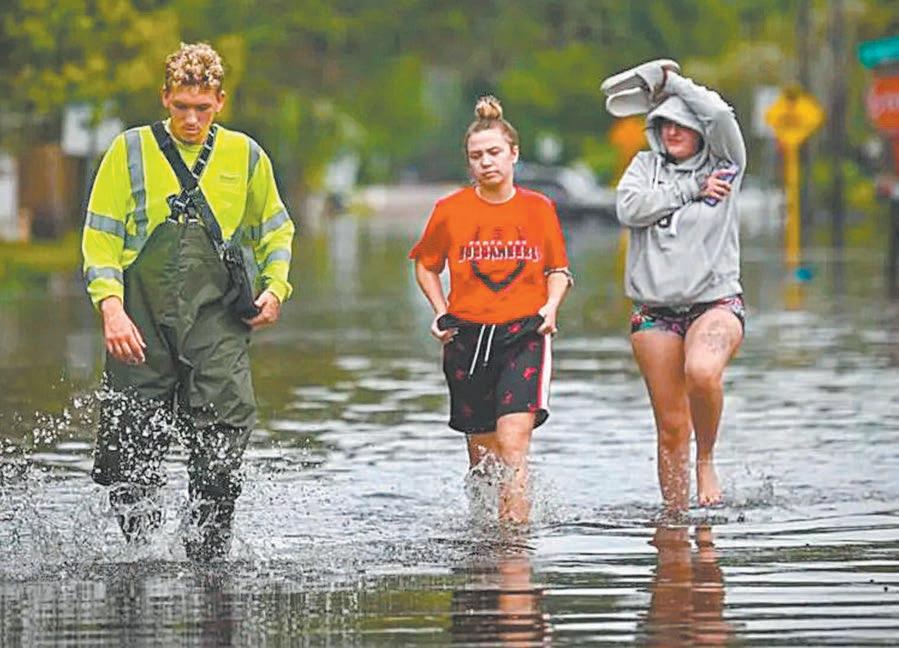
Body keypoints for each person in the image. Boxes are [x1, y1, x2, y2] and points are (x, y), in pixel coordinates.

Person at [81, 42, 295, 559]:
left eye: (202, 107)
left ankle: (208, 556)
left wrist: (275, 288)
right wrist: (111, 307)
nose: (191, 119)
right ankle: (140, 555)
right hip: (139, 322)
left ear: (220, 101)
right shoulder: (128, 151)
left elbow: (275, 230)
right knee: (128, 448)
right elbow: (101, 237)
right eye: (181, 107)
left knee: (223, 439)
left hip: (216, 321)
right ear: (164, 98)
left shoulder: (246, 156)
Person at [409, 95, 572, 524]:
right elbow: (426, 265)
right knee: (483, 461)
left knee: (513, 443)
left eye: (494, 152)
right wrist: (440, 310)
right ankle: (485, 535)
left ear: (513, 154)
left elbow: (558, 270)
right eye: (476, 156)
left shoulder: (539, 208)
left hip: (524, 335)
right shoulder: (450, 210)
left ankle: (513, 544)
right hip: (467, 339)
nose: (486, 162)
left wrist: (551, 306)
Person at [609, 60, 747, 513]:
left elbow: (721, 114)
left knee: (702, 371)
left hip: (714, 303)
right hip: (655, 312)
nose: (671, 132)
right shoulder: (644, 166)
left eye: (682, 124)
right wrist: (690, 190)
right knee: (671, 428)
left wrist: (672, 83)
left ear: (700, 130)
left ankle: (706, 460)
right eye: (664, 123)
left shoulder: (726, 166)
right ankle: (674, 523)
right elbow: (629, 209)